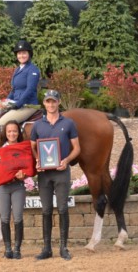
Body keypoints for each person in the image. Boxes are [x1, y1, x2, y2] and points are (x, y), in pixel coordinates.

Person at [30, 89, 80, 261]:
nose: (51, 104)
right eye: (48, 101)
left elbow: (77, 148)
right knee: (45, 210)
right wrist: (37, 160)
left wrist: (66, 160)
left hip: (61, 172)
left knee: (63, 208)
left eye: (54, 101)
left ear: (59, 102)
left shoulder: (69, 123)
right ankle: (46, 248)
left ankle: (63, 248)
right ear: (44, 103)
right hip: (44, 175)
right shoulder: (37, 125)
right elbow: (33, 147)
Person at [0, 121, 35, 259]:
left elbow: (29, 166)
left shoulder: (24, 148)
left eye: (14, 131)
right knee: (4, 218)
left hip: (18, 186)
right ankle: (7, 249)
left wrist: (24, 175)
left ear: (18, 133)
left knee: (18, 217)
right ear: (5, 133)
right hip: (3, 188)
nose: (12, 134)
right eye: (9, 131)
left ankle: (17, 250)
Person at [0, 40, 40, 129]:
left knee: (1, 123)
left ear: (29, 54)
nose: (21, 56)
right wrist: (6, 101)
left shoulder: (33, 70)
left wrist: (18, 103)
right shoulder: (17, 69)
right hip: (16, 103)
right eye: (19, 53)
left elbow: (30, 89)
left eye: (24, 53)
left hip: (28, 105)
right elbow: (14, 89)